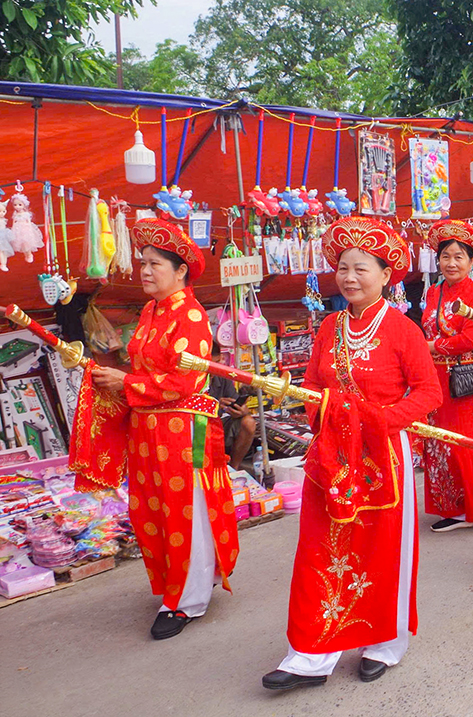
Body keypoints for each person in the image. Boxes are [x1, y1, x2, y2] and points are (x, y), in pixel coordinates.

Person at [263, 217, 442, 691]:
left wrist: (381, 420)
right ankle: (310, 655)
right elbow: (314, 385)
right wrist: (313, 406)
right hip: (332, 455)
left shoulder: (403, 329)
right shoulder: (329, 326)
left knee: (384, 551)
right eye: (343, 267)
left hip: (385, 455)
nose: (349, 276)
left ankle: (385, 642)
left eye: (361, 268)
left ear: (386, 275)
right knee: (321, 550)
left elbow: (428, 393)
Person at [90, 218, 238, 640]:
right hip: (149, 428)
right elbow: (146, 369)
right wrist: (114, 378)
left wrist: (125, 382)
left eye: (155, 264)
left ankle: (186, 601)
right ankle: (185, 581)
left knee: (183, 510)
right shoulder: (153, 310)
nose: (146, 271)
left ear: (180, 271)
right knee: (156, 508)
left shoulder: (190, 316)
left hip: (181, 428)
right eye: (143, 263)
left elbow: (184, 382)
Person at [420, 219, 473, 532]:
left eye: (459, 256)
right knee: (438, 444)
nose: (451, 262)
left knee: (461, 443)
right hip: (434, 379)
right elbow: (425, 327)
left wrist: (432, 345)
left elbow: (470, 339)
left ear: (471, 261)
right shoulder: (433, 292)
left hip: (463, 379)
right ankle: (455, 506)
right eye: (446, 256)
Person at [207, 365, 258, 472]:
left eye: (217, 361)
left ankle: (234, 468)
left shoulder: (221, 376)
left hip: (221, 423)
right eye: (214, 362)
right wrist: (214, 405)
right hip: (201, 425)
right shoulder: (194, 379)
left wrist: (241, 411)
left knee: (248, 422)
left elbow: (236, 405)